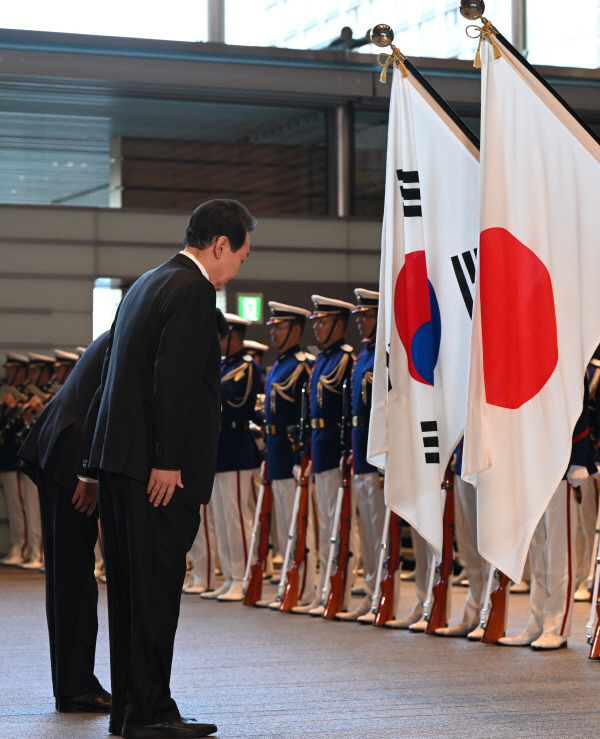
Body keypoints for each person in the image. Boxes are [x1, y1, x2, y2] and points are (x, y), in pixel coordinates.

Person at [88, 199, 255, 739]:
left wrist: (98, 462)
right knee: (155, 590)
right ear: (220, 246)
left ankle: (130, 711)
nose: (237, 270)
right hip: (155, 472)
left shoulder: (146, 283)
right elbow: (174, 383)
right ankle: (152, 712)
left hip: (121, 463)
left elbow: (114, 380)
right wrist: (168, 461)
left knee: (133, 594)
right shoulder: (193, 289)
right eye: (241, 257)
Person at [17, 332, 111, 713]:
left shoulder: (121, 331)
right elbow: (105, 405)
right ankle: (76, 688)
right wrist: (88, 473)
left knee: (65, 578)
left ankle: (71, 684)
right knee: (74, 579)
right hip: (73, 456)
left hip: (58, 448)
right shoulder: (135, 339)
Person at [498, 384, 595, 650]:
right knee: (537, 550)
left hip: (560, 462)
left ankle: (557, 626)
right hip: (531, 460)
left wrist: (577, 460)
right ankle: (537, 621)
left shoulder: (566, 349)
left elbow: (580, 410)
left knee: (558, 551)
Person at [293, 295, 354, 615]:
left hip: (335, 446)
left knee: (339, 523)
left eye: (324, 321)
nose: (317, 327)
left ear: (339, 324)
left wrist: (347, 448)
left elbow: (347, 409)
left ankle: (339, 590)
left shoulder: (345, 359)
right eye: (315, 322)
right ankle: (325, 588)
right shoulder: (322, 361)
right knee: (323, 522)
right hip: (319, 446)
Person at [200, 313, 263, 602]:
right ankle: (229, 575)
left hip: (237, 448)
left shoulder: (247, 367)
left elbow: (230, 398)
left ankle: (242, 576)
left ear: (233, 337)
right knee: (222, 519)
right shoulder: (223, 366)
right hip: (219, 448)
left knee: (238, 517)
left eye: (220, 336)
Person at [263, 301, 316, 608]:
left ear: (296, 329)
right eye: (272, 327)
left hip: (292, 451)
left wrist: (301, 454)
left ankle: (305, 588)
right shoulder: (280, 365)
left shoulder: (301, 364)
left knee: (299, 526)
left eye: (280, 327)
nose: (274, 333)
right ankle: (289, 583)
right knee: (284, 527)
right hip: (276, 452)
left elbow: (305, 412)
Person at [337, 288, 385, 621]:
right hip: (360, 447)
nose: (360, 322)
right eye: (359, 316)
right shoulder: (363, 356)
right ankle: (370, 593)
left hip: (377, 453)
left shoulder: (385, 353)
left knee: (379, 529)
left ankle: (383, 594)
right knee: (367, 530)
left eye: (366, 315)